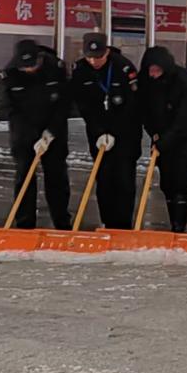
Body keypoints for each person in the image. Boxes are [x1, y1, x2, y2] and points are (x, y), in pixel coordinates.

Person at [70, 32, 142, 229]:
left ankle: (123, 225)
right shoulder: (80, 70)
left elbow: (132, 107)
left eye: (98, 57)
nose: (94, 61)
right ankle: (108, 222)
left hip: (126, 133)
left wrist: (115, 132)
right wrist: (100, 131)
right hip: (98, 134)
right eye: (90, 57)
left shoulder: (123, 67)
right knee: (103, 178)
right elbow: (84, 105)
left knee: (124, 180)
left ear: (107, 51)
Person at [1, 39, 71, 229]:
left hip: (53, 130)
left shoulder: (55, 68)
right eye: (26, 67)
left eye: (33, 65)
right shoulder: (11, 74)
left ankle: (62, 222)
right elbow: (11, 109)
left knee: (56, 177)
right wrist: (29, 135)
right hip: (24, 133)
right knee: (24, 176)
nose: (30, 70)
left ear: (39, 58)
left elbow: (64, 105)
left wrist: (50, 133)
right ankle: (24, 224)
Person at [139, 46, 187, 233]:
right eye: (150, 70)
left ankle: (180, 225)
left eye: (157, 70)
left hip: (186, 139)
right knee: (167, 183)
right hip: (162, 140)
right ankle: (173, 221)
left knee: (181, 182)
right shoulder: (147, 82)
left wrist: (164, 140)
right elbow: (145, 112)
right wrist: (153, 133)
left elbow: (185, 118)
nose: (153, 75)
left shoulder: (186, 82)